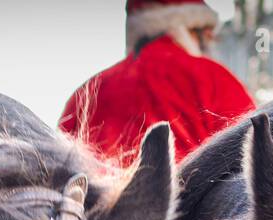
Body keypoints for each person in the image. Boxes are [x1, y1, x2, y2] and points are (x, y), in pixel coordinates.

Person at [60, 0, 255, 165]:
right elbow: (255, 157)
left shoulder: (88, 92)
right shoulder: (215, 79)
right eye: (204, 33)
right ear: (188, 30)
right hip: (192, 208)